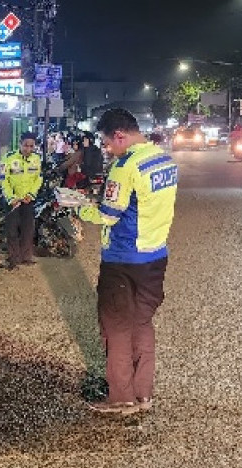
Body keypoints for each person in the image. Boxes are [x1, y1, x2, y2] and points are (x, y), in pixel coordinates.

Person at [77, 109, 177, 415]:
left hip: (122, 259)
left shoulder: (125, 166)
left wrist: (80, 209)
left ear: (120, 135)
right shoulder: (163, 159)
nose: (107, 150)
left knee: (116, 328)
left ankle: (121, 397)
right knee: (142, 323)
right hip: (155, 255)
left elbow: (109, 214)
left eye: (108, 143)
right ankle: (144, 394)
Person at [0, 132, 43, 270]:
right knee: (12, 230)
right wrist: (11, 198)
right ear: (19, 144)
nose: (28, 149)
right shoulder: (8, 158)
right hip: (12, 201)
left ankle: (26, 257)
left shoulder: (36, 159)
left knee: (28, 229)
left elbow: (38, 179)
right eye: (26, 145)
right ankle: (14, 258)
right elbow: (2, 179)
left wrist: (31, 194)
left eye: (31, 146)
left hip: (28, 201)